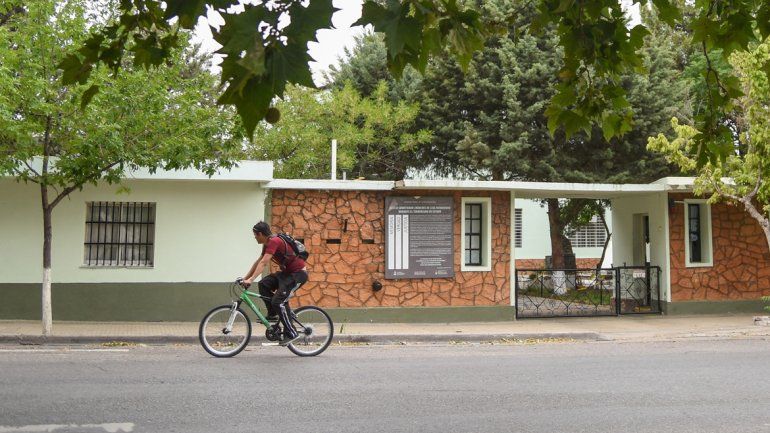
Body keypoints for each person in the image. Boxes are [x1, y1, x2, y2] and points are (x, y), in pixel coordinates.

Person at [240, 221, 308, 343]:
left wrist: (251, 280)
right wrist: (246, 278)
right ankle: (273, 314)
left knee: (278, 301)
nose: (254, 237)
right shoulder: (267, 243)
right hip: (287, 273)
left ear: (260, 234)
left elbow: (264, 263)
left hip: (298, 274)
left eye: (255, 235)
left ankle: (292, 333)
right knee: (263, 284)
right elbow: (258, 261)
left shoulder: (274, 241)